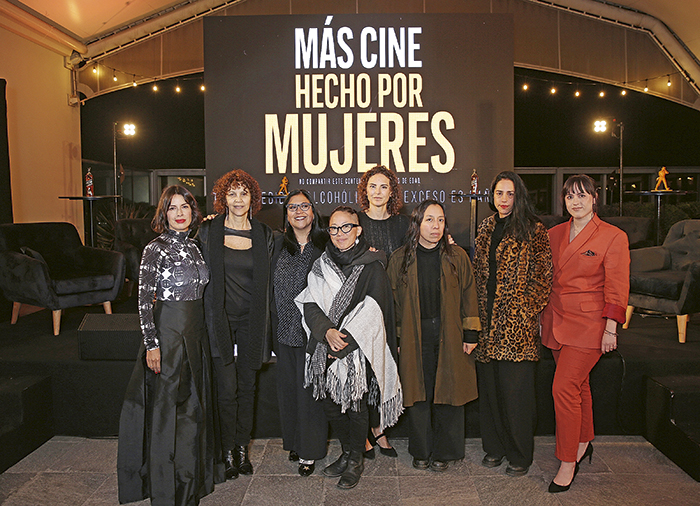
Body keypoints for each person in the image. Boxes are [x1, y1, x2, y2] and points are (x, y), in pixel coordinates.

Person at [118, 185, 223, 505]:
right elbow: (142, 300)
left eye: (185, 207)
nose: (179, 213)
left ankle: (191, 480)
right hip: (168, 336)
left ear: (193, 211)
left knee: (193, 412)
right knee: (169, 415)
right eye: (172, 208)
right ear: (163, 214)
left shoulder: (195, 246)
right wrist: (152, 344)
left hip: (195, 336)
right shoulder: (155, 248)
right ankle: (167, 489)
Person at [296, 206, 403, 489]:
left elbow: (374, 312)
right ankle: (346, 452)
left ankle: (356, 459)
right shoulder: (321, 264)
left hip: (356, 349)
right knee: (331, 406)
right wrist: (326, 332)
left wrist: (341, 342)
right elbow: (310, 303)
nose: (339, 233)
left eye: (346, 227)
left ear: (358, 230)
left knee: (355, 407)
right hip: (325, 345)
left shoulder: (372, 266)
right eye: (334, 228)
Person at [541, 174, 630, 493]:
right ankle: (583, 441)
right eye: (569, 196)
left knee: (563, 388)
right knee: (579, 387)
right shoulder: (553, 233)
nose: (575, 202)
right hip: (556, 320)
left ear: (595, 198)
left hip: (591, 324)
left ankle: (567, 461)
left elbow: (617, 286)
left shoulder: (613, 236)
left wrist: (611, 329)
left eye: (582, 195)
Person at [387, 200, 481, 472]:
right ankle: (421, 450)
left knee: (448, 392)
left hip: (450, 332)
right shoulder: (400, 259)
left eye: (440, 220)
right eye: (429, 220)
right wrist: (398, 340)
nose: (436, 226)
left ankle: (445, 452)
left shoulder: (457, 256)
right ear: (417, 223)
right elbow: (393, 304)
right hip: (414, 334)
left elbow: (469, 295)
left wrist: (470, 333)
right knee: (418, 393)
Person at [473, 171, 553, 477]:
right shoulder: (486, 227)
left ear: (519, 196)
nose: (504, 200)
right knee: (491, 393)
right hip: (486, 323)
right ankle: (494, 448)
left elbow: (544, 277)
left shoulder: (534, 229)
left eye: (510, 194)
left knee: (516, 396)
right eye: (499, 193)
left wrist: (524, 309)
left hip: (517, 327)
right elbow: (478, 272)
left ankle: (520, 455)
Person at [197, 169, 274, 479]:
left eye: (244, 193)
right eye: (232, 193)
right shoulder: (208, 231)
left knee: (247, 387)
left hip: (252, 320)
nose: (239, 199)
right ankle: (227, 450)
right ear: (223, 198)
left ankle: (242, 448)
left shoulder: (264, 234)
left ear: (252, 198)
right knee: (226, 389)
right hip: (220, 320)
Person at [271, 190, 329, 476]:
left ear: (313, 211)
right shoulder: (275, 244)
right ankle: (295, 441)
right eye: (292, 207)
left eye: (304, 206)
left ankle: (310, 450)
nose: (299, 211)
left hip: (314, 334)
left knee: (310, 395)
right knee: (289, 392)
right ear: (286, 214)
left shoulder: (326, 245)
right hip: (283, 330)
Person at [356, 165, 409, 458]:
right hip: (361, 307)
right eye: (373, 186)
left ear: (392, 192)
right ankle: (364, 431)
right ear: (365, 190)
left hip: (393, 306)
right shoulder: (356, 222)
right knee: (363, 369)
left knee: (386, 368)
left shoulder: (403, 225)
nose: (378, 192)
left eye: (384, 187)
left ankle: (380, 429)